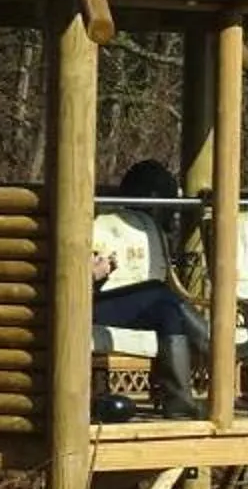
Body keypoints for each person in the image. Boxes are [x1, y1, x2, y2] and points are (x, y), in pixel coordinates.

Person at [93, 159, 216, 416]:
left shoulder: (149, 228)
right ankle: (219, 346)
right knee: (158, 294)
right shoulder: (89, 221)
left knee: (166, 309)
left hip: (105, 302)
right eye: (170, 203)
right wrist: (96, 271)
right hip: (84, 304)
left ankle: (180, 401)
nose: (173, 213)